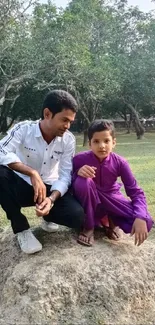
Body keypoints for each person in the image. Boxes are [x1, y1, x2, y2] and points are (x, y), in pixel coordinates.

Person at [0, 90, 85, 254]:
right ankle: (22, 230)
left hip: (48, 189)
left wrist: (51, 199)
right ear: (47, 113)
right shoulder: (23, 129)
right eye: (64, 120)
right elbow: (1, 150)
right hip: (20, 186)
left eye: (71, 122)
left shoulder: (68, 139)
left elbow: (66, 174)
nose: (67, 126)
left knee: (76, 216)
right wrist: (32, 172)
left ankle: (48, 215)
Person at [72, 119, 154, 247]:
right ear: (89, 144)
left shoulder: (120, 162)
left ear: (114, 142)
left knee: (146, 221)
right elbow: (68, 183)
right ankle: (89, 227)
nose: (102, 146)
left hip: (111, 199)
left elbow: (135, 191)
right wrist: (77, 172)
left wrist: (141, 216)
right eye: (96, 141)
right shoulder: (79, 159)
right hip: (89, 202)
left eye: (106, 141)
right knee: (84, 182)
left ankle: (111, 219)